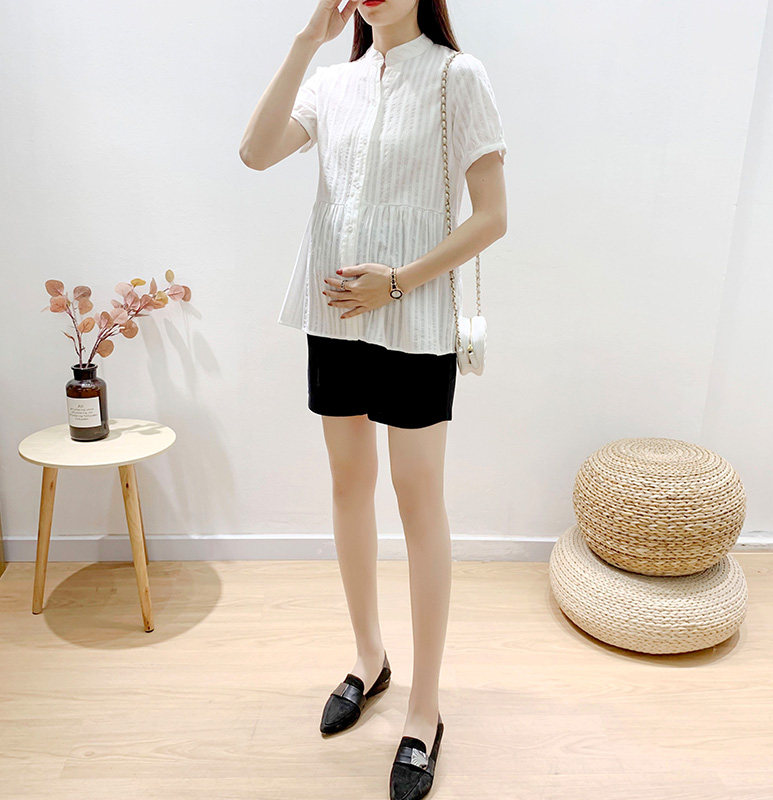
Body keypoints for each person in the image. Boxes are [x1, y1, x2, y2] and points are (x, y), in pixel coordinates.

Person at [239, 1, 507, 797]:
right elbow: (254, 153)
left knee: (419, 501)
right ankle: (369, 657)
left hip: (415, 320)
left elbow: (493, 217)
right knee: (348, 485)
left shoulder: (458, 77)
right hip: (334, 315)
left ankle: (425, 709)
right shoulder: (331, 83)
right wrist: (305, 40)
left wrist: (397, 283)